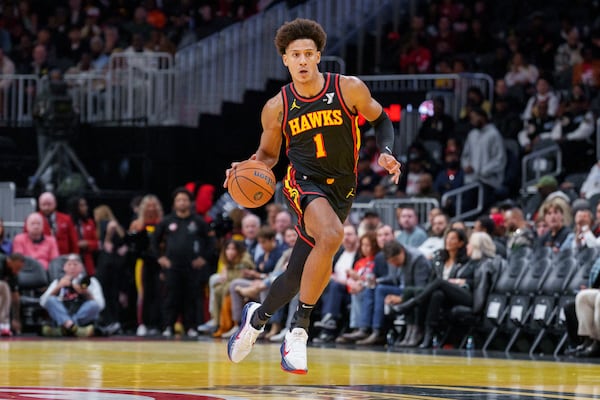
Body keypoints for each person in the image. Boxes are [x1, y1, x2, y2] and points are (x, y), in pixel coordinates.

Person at [225, 18, 401, 374]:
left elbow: (382, 120)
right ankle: (299, 330)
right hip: (302, 182)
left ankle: (256, 319)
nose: (303, 60)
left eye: (308, 53)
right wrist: (244, 168)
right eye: (295, 55)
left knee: (295, 275)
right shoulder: (278, 106)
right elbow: (268, 156)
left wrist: (385, 151)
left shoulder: (348, 89)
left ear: (319, 56)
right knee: (333, 236)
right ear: (285, 61)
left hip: (342, 188)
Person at [152, 187, 214, 338]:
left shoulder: (198, 222)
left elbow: (210, 242)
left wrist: (203, 258)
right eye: (179, 200)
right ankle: (168, 326)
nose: (182, 202)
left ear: (190, 203)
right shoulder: (167, 221)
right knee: (171, 297)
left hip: (192, 266)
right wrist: (160, 258)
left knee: (191, 297)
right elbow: (154, 241)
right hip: (172, 266)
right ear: (174, 203)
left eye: (185, 200)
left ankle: (191, 327)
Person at [40, 254, 105, 337]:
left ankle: (64, 328)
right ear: (64, 267)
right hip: (62, 311)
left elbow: (100, 305)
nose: (72, 267)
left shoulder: (91, 281)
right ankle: (74, 328)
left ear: (81, 267)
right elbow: (43, 302)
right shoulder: (58, 281)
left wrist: (86, 293)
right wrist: (58, 287)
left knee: (94, 305)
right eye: (69, 264)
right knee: (51, 300)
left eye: (75, 264)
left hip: (81, 312)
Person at [68, 196, 99, 276]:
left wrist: (87, 243)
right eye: (82, 205)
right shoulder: (67, 222)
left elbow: (97, 243)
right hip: (71, 259)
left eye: (85, 205)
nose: (85, 208)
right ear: (75, 207)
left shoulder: (90, 222)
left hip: (87, 260)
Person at [0, 252, 25, 336]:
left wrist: (16, 318)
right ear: (9, 261)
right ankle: (4, 324)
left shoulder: (13, 273)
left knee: (6, 290)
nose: (17, 271)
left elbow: (15, 296)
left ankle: (4, 325)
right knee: (4, 286)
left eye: (19, 269)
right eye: (17, 268)